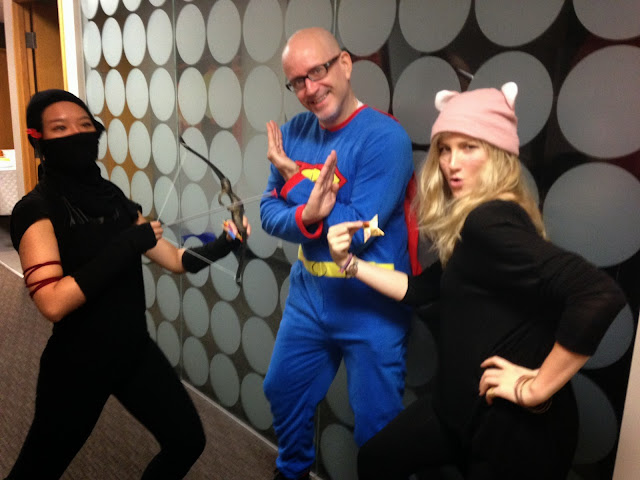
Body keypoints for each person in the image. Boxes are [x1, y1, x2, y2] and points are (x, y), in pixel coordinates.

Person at [326, 83, 626, 479]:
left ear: (498, 155)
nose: (451, 163)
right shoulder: (476, 223)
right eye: (445, 148)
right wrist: (349, 263)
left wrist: (536, 387)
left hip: (512, 431)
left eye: (469, 147)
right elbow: (419, 289)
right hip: (458, 407)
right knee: (377, 458)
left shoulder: (489, 221)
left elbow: (598, 293)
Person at [6, 89, 249, 479]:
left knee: (187, 441)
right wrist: (125, 246)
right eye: (60, 128)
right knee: (36, 472)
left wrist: (227, 242)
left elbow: (175, 260)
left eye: (84, 124)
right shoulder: (35, 209)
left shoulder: (112, 197)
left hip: (133, 350)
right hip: (78, 364)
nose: (76, 133)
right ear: (39, 140)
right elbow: (52, 302)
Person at [260, 27, 415, 480]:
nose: (310, 89)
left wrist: (294, 179)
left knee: (377, 427)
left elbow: (360, 229)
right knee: (282, 390)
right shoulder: (294, 132)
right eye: (297, 81)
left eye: (318, 71)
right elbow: (268, 211)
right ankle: (292, 471)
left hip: (371, 304)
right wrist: (308, 213)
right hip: (309, 299)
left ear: (344, 65)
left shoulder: (386, 139)